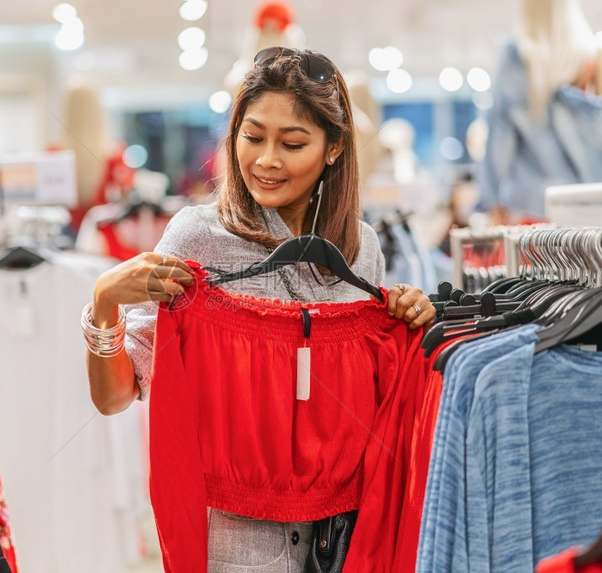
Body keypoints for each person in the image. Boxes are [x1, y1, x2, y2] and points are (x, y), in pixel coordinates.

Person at [86, 47, 434, 570]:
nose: (267, 160)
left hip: (343, 539)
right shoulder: (198, 238)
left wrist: (408, 318)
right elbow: (116, 395)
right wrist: (104, 301)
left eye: (292, 143)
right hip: (236, 549)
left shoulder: (361, 248)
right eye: (253, 137)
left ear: (333, 148)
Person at [478, 0, 602, 225]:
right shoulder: (592, 55)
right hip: (584, 205)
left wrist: (490, 199)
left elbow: (500, 137)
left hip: (529, 206)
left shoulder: (515, 55)